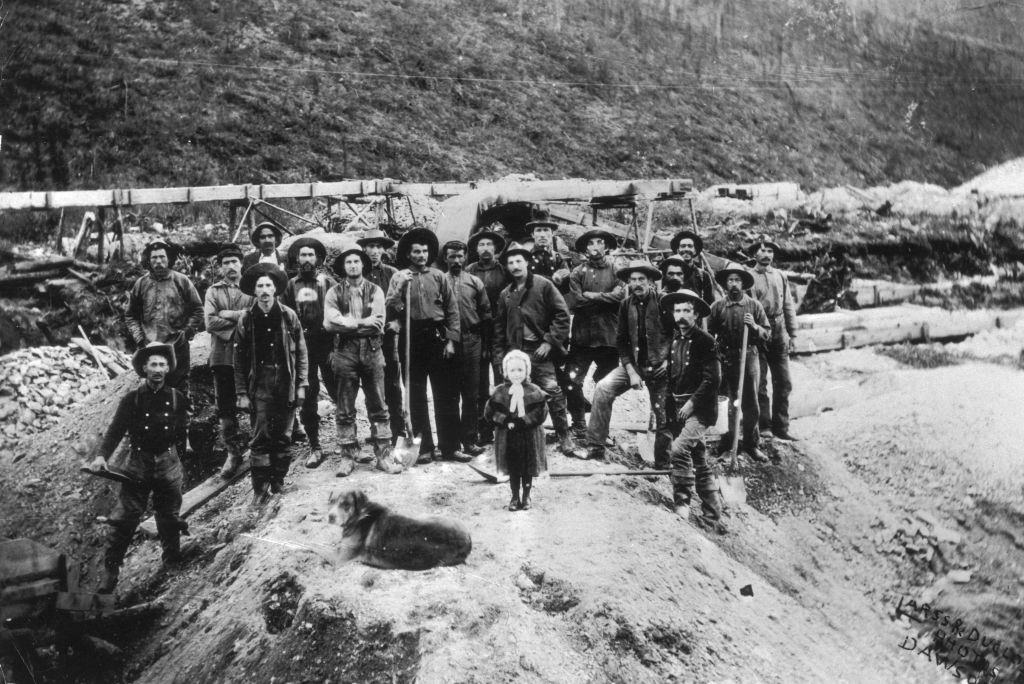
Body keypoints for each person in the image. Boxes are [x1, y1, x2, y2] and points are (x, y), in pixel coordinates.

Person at [89, 342, 190, 593]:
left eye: (162, 364)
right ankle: (111, 572)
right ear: (144, 368)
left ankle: (172, 560)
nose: (158, 369)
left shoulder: (177, 398)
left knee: (169, 515)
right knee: (126, 518)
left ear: (167, 369)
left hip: (167, 462)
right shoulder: (131, 399)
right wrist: (101, 456)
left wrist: (178, 465)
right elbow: (115, 431)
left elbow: (181, 433)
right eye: (153, 364)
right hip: (138, 464)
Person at [385, 228, 467, 463]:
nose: (421, 255)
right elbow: (391, 305)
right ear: (408, 255)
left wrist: (451, 340)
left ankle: (451, 447)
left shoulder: (438, 276)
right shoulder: (399, 276)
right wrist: (401, 286)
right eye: (416, 252)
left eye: (424, 251)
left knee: (446, 393)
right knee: (415, 394)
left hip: (437, 336)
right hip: (411, 338)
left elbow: (452, 309)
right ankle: (424, 448)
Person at [493, 246, 584, 458]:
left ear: (527, 262)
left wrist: (549, 342)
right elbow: (499, 328)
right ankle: (517, 437)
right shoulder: (506, 294)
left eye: (519, 261)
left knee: (552, 390)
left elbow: (562, 315)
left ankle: (564, 435)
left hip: (539, 351)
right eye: (510, 263)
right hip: (516, 353)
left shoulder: (543, 285)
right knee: (515, 394)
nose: (515, 266)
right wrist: (500, 357)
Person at [234, 264, 308, 505]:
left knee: (283, 436)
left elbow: (302, 353)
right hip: (260, 384)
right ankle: (260, 488)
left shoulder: (288, 315)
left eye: (268, 285)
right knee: (260, 437)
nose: (264, 290)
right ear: (254, 291)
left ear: (275, 289)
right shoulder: (247, 319)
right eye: (260, 286)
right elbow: (238, 360)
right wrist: (242, 392)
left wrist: (301, 384)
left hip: (285, 382)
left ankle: (278, 481)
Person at [585, 260, 672, 465]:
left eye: (641, 279)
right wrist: (631, 371)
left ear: (650, 281)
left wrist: (668, 362)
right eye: (633, 280)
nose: (637, 283)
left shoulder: (664, 302)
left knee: (663, 413)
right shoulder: (625, 305)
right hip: (635, 366)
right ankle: (596, 446)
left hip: (660, 368)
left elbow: (676, 336)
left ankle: (662, 464)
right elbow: (622, 341)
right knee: (603, 388)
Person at [323, 247, 400, 476]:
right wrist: (362, 323)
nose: (353, 265)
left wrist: (346, 324)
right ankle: (348, 456)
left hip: (373, 349)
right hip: (344, 351)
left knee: (378, 404)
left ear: (363, 265)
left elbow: (378, 323)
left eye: (356, 261)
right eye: (348, 262)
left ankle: (383, 455)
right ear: (343, 267)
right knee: (345, 406)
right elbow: (329, 323)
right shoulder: (334, 293)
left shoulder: (375, 290)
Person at [660, 290, 725, 532]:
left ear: (696, 315)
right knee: (699, 459)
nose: (681, 315)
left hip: (700, 410)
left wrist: (691, 404)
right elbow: (672, 377)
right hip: (679, 408)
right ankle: (712, 515)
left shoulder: (706, 341)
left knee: (678, 449)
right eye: (677, 310)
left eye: (687, 310)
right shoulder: (675, 340)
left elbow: (713, 379)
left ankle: (682, 503)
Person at [282, 237, 338, 467]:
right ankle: (315, 446)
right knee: (307, 394)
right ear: (297, 259)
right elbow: (284, 317)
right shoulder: (289, 286)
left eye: (311, 255)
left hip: (326, 345)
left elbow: (340, 312)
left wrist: (336, 346)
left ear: (318, 259)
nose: (307, 259)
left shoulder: (328, 283)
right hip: (302, 348)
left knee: (338, 390)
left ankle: (348, 441)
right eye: (303, 255)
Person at [708, 262, 771, 463]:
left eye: (737, 280)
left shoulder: (754, 306)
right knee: (730, 403)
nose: (734, 284)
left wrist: (755, 327)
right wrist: (716, 352)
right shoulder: (717, 307)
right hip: (726, 359)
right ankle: (728, 446)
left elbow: (767, 333)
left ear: (743, 284)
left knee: (751, 403)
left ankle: (752, 445)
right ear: (725, 284)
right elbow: (708, 334)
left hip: (749, 356)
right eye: (730, 280)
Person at [125, 240, 203, 399]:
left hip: (177, 347)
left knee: (179, 392)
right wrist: (140, 338)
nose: (158, 261)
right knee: (153, 393)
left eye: (162, 257)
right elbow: (131, 315)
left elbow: (198, 310)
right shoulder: (141, 284)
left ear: (169, 259)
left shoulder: (181, 281)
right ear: (149, 260)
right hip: (150, 347)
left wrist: (186, 333)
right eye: (154, 258)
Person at [565, 228, 624, 437]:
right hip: (582, 337)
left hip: (608, 337)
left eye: (599, 242)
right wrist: (606, 297)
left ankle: (600, 430)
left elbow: (621, 297)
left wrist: (593, 295)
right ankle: (579, 424)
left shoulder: (617, 269)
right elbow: (576, 301)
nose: (595, 247)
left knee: (606, 385)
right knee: (571, 381)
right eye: (590, 243)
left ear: (606, 247)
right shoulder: (577, 272)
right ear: (585, 248)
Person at [203, 246, 252, 478]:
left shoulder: (252, 288)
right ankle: (233, 453)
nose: (231, 266)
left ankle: (259, 446)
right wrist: (242, 318)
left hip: (249, 354)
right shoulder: (213, 292)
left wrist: (230, 314)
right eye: (226, 263)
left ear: (241, 263)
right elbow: (210, 323)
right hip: (222, 356)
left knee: (254, 398)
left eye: (234, 261)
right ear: (220, 267)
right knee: (225, 405)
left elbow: (256, 318)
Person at [441, 240, 492, 455]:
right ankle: (452, 444)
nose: (456, 260)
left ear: (465, 257)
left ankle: (469, 440)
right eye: (452, 256)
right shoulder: (440, 280)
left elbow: (486, 314)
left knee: (471, 394)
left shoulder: (475, 282)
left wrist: (486, 345)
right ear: (445, 258)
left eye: (460, 256)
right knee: (450, 394)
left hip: (472, 341)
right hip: (447, 343)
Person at [484, 350, 549, 512]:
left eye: (520, 370)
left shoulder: (534, 390)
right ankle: (514, 496)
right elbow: (490, 412)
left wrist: (524, 420)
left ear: (527, 370)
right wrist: (504, 420)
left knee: (527, 468)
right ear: (506, 371)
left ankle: (526, 496)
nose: (516, 374)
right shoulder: (500, 391)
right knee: (513, 468)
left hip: (528, 437)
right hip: (509, 437)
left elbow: (541, 412)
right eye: (512, 370)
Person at [747, 235, 798, 442]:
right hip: (758, 331)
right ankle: (764, 425)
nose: (766, 254)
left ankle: (781, 426)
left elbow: (788, 306)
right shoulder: (748, 277)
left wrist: (792, 334)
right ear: (754, 254)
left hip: (779, 331)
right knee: (759, 382)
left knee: (784, 381)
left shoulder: (780, 275)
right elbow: (749, 308)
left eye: (770, 251)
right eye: (762, 250)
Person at [358, 227, 404, 443]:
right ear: (364, 249)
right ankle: (377, 429)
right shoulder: (358, 275)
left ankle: (398, 429)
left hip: (389, 337)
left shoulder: (393, 274)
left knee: (393, 383)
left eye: (378, 247)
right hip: (367, 338)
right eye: (371, 246)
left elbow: (404, 303)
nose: (375, 251)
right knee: (371, 385)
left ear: (383, 250)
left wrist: (398, 322)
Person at [466, 227, 508, 444]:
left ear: (495, 248)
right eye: (481, 244)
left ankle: (504, 426)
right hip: (478, 332)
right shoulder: (469, 270)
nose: (485, 248)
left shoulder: (504, 271)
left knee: (502, 381)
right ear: (476, 249)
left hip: (500, 332)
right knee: (480, 385)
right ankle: (484, 429)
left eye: (489, 244)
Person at [669, 230, 716, 304]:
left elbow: (710, 303)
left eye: (690, 246)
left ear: (695, 251)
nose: (686, 249)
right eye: (683, 246)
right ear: (678, 250)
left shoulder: (703, 276)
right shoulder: (669, 274)